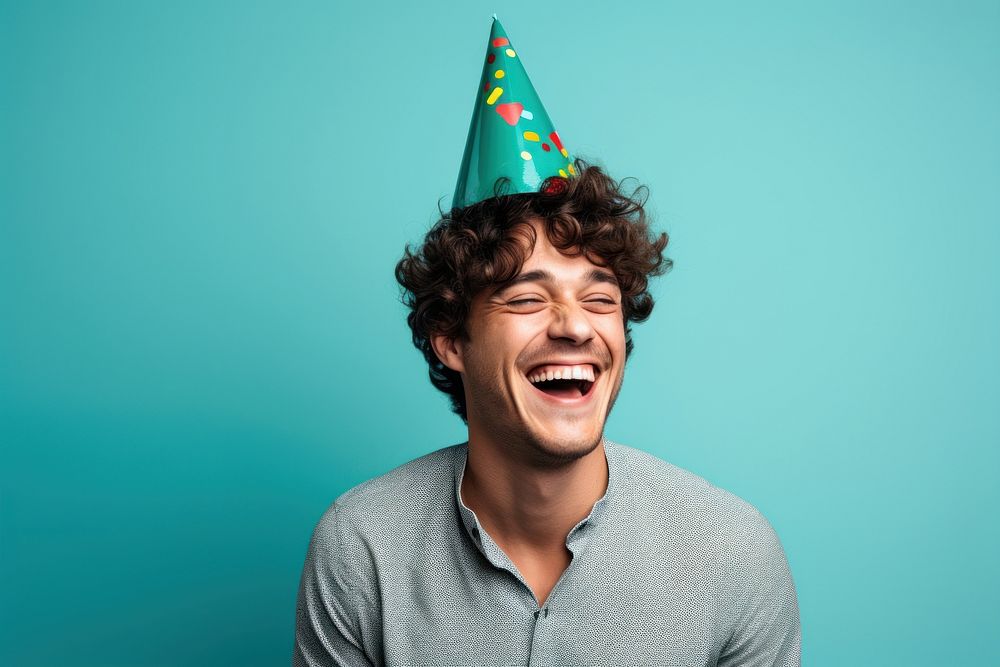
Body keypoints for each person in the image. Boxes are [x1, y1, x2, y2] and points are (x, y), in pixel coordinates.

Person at [293, 17, 799, 667]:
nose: (574, 324)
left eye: (599, 299)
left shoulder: (734, 554)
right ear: (450, 338)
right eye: (528, 297)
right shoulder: (360, 547)